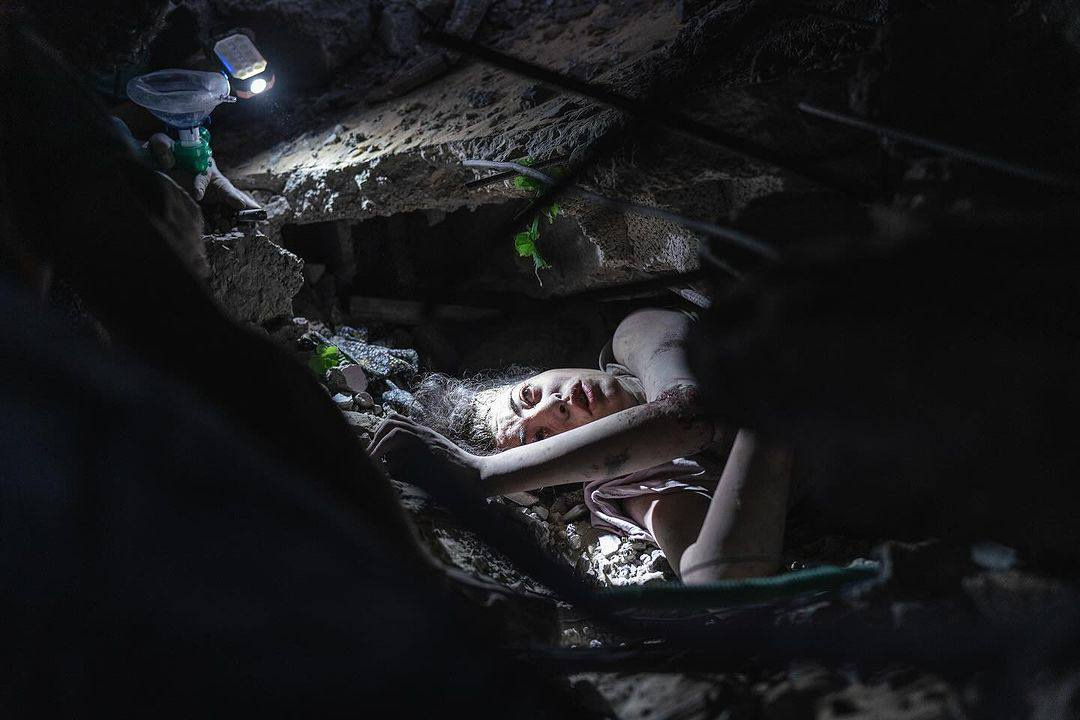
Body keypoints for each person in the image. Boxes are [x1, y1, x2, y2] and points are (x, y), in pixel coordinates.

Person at [370, 308, 794, 583]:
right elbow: (721, 578)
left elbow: (688, 412)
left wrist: (482, 474)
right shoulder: (636, 488)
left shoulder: (634, 336)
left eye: (529, 396)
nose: (554, 407)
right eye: (539, 438)